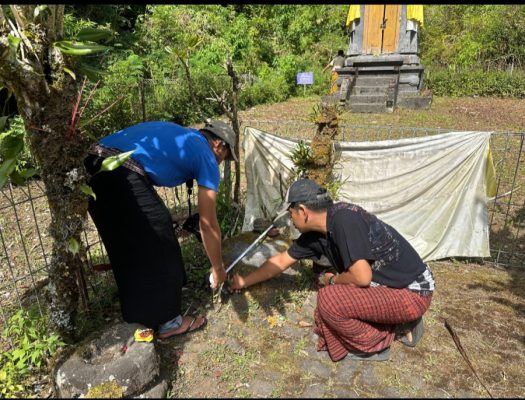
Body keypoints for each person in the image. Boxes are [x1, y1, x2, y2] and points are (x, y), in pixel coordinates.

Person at [230, 179, 435, 362]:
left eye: (291, 212)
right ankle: (394, 320)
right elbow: (281, 261)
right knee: (326, 310)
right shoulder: (317, 233)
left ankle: (382, 339)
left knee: (330, 300)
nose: (290, 219)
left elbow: (362, 277)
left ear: (303, 211)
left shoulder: (345, 219)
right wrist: (244, 282)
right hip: (390, 288)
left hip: (412, 292)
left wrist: (333, 280)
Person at [84, 119, 238, 339]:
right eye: (225, 157)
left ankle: (139, 317)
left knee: (126, 245)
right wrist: (219, 269)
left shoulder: (182, 136)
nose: (221, 162)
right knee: (160, 240)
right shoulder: (206, 153)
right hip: (119, 170)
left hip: (92, 165)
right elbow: (208, 223)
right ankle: (169, 322)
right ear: (219, 145)